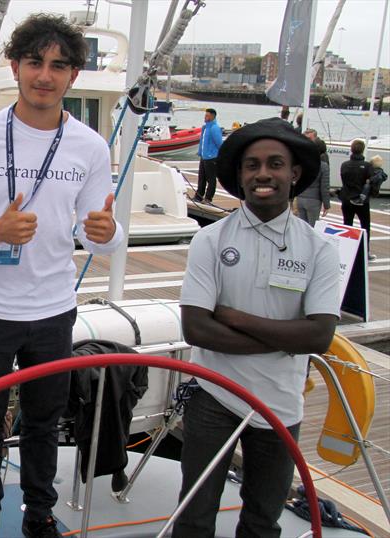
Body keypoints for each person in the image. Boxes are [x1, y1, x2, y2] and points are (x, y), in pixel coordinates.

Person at [0, 14, 123, 538]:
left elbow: (102, 234)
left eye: (58, 66)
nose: (45, 75)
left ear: (73, 76)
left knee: (46, 422)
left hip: (53, 311)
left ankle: (40, 515)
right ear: (14, 66)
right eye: (35, 62)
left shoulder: (89, 145)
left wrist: (106, 230)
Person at [176, 117, 340, 537]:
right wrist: (283, 337)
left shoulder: (319, 249)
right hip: (214, 395)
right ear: (241, 175)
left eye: (274, 164)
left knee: (263, 519)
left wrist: (235, 317)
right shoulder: (210, 239)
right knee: (194, 516)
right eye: (252, 165)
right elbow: (197, 329)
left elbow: (319, 336)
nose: (263, 174)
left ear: (295, 173)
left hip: (282, 405)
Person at [339, 138, 375, 260]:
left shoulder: (344, 165)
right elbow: (371, 182)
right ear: (363, 150)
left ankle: (345, 250)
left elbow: (344, 180)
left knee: (347, 225)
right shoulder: (367, 166)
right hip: (362, 201)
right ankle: (365, 251)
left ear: (351, 150)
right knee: (365, 226)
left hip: (347, 198)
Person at [296, 128, 330, 227]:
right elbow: (324, 186)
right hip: (314, 199)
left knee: (302, 227)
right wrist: (326, 204)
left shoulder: (302, 162)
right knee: (312, 227)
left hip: (301, 197)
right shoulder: (323, 165)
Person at [193, 108, 223, 204]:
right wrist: (200, 152)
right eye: (205, 115)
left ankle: (208, 198)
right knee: (201, 178)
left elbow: (219, 143)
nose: (205, 117)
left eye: (207, 115)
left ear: (212, 116)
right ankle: (198, 196)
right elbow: (202, 141)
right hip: (204, 156)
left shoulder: (214, 128)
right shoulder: (205, 128)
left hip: (211, 158)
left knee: (211, 179)